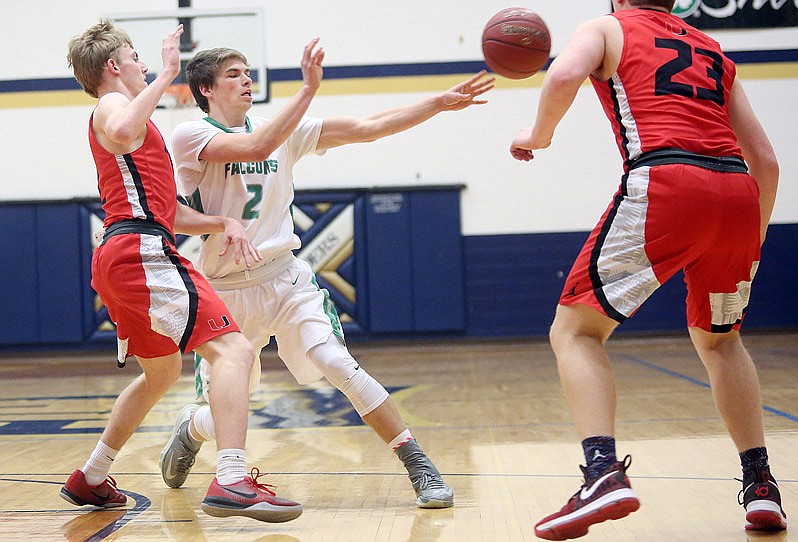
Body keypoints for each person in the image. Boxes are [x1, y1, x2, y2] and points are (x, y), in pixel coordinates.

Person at [157, 46, 494, 509]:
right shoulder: (191, 134)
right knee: (225, 412)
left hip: (285, 279)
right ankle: (191, 429)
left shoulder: (280, 130)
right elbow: (254, 147)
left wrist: (435, 103)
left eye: (248, 73)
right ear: (206, 89)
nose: (247, 81)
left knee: (338, 363)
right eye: (234, 75)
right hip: (226, 292)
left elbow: (368, 128)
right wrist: (309, 89)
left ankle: (417, 463)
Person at [510, 1, 785, 539]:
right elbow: (767, 161)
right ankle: (761, 486)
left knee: (576, 331)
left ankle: (601, 473)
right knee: (723, 342)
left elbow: (565, 72)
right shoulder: (711, 48)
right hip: (738, 196)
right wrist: (752, 236)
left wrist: (537, 136)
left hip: (667, 182)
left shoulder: (606, 27)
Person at [61, 19, 325, 523]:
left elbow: (171, 210)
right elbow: (118, 129)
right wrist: (166, 74)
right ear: (114, 66)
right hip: (141, 250)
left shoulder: (134, 121)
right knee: (236, 350)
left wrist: (220, 220)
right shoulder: (113, 106)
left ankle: (91, 476)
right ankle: (231, 477)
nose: (142, 64)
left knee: (161, 372)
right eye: (135, 57)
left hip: (125, 249)